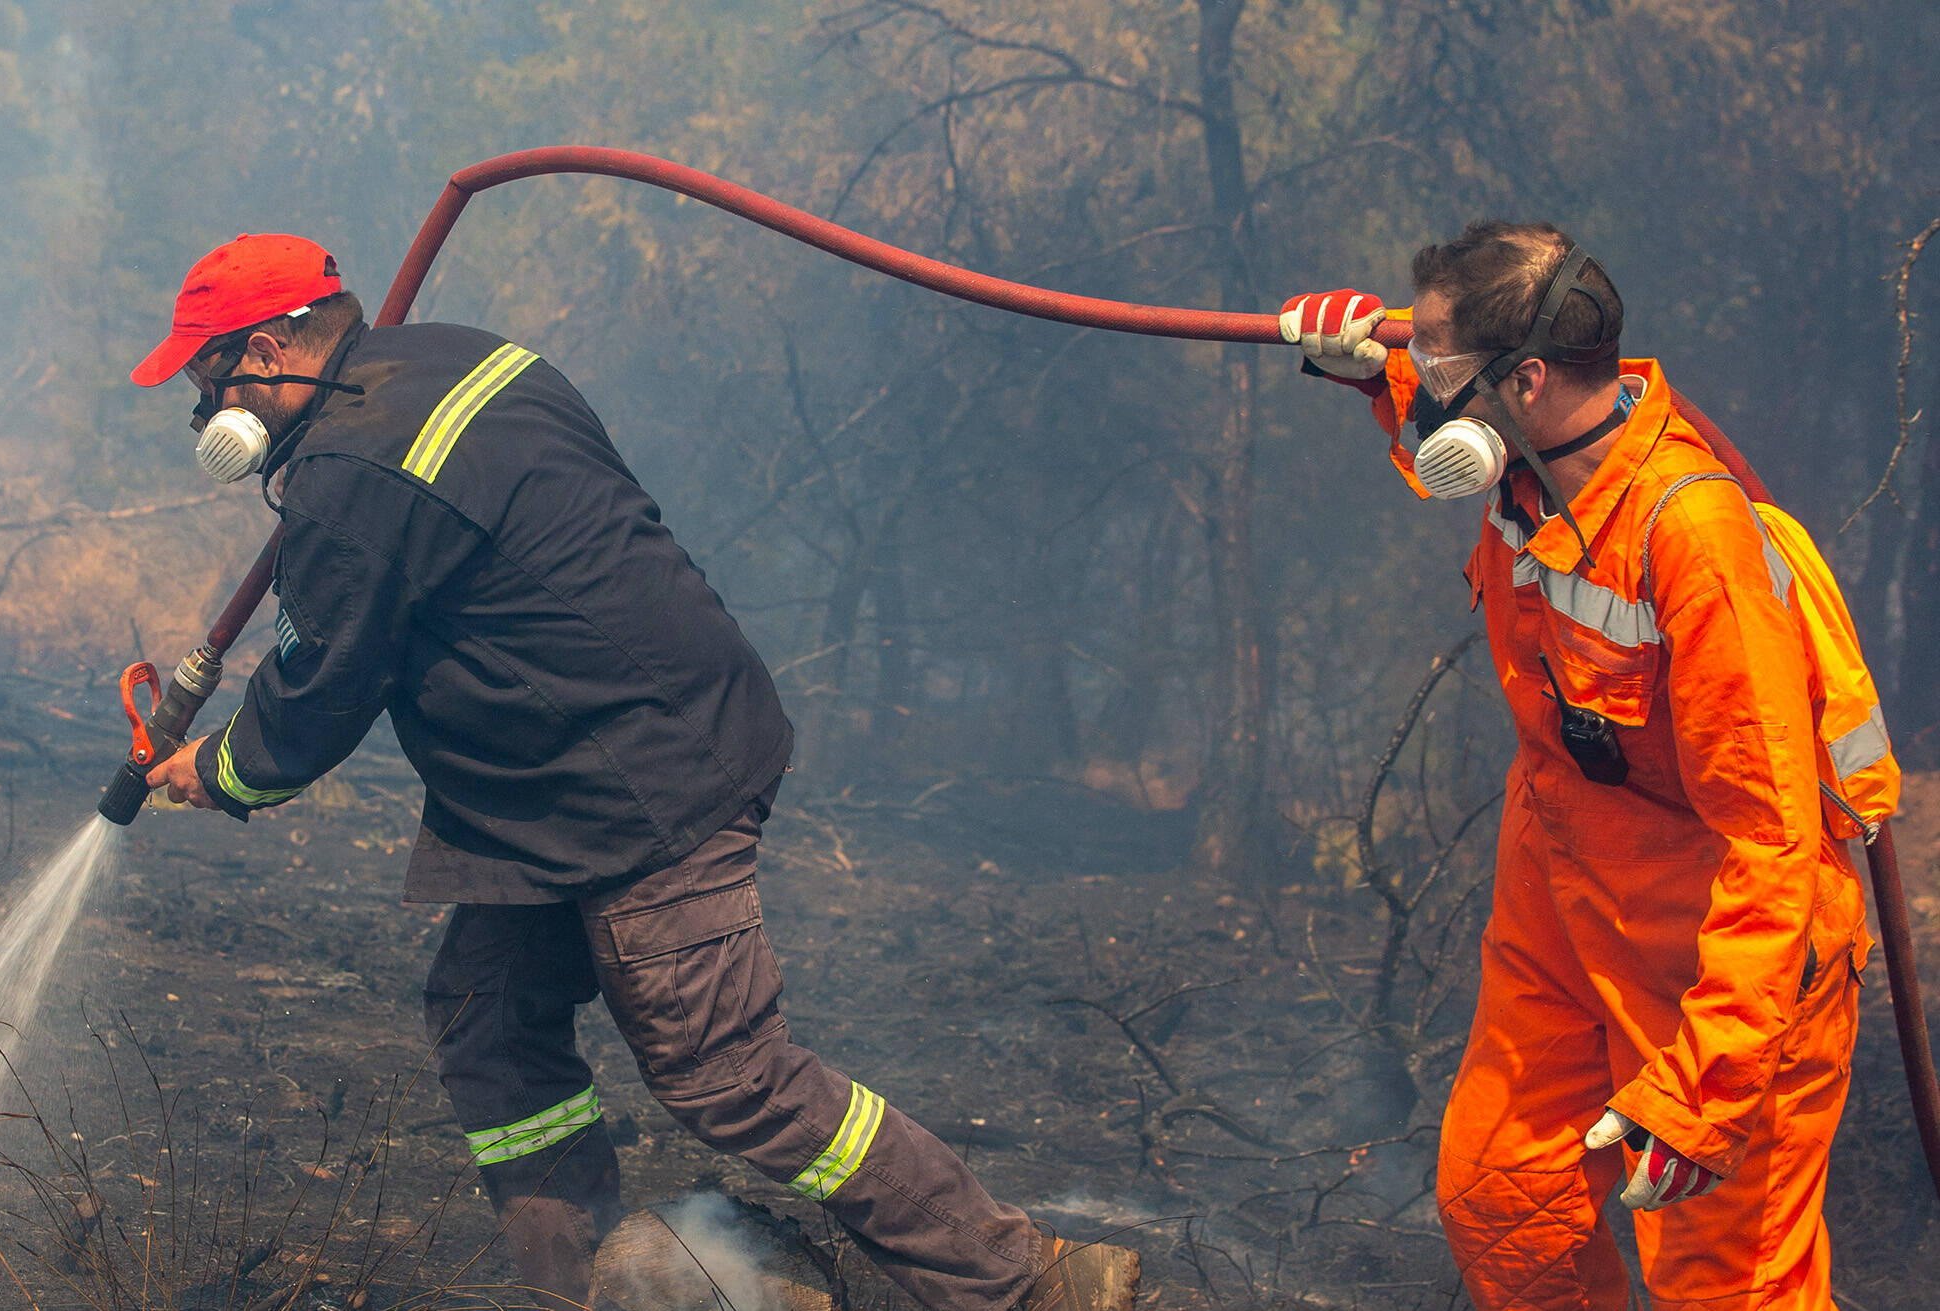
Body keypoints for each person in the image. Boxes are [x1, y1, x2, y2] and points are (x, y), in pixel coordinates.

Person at [133, 234, 1137, 1311]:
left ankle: (1030, 1281)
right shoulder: (462, 359)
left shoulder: (351, 472)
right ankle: (607, 1284)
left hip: (636, 782)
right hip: (567, 783)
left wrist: (227, 770)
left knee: (729, 1075)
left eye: (208, 368)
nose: (202, 402)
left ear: (276, 345)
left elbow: (321, 684)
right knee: (491, 1024)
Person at [1282, 222, 1882, 1310]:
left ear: (1531, 378)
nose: (1424, 387)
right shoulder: (1531, 462)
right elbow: (1440, 422)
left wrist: (1704, 1091)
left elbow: (1773, 838)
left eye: (1439, 365)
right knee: (1505, 1203)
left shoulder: (1690, 536)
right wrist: (1361, 365)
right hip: (1564, 910)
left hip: (1718, 962)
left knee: (1727, 1290)